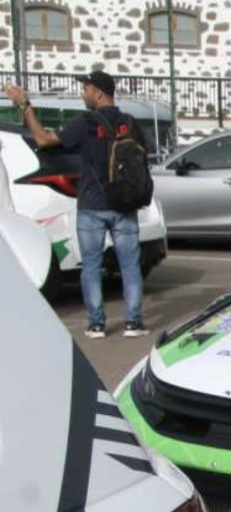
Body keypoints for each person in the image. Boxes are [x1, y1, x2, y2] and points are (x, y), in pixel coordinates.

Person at [4, 71, 150, 339]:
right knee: (130, 265)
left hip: (92, 206)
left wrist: (25, 105)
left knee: (91, 265)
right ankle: (133, 323)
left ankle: (96, 325)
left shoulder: (84, 123)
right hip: (125, 205)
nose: (82, 94)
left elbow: (43, 140)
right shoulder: (130, 123)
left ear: (98, 93)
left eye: (85, 89)